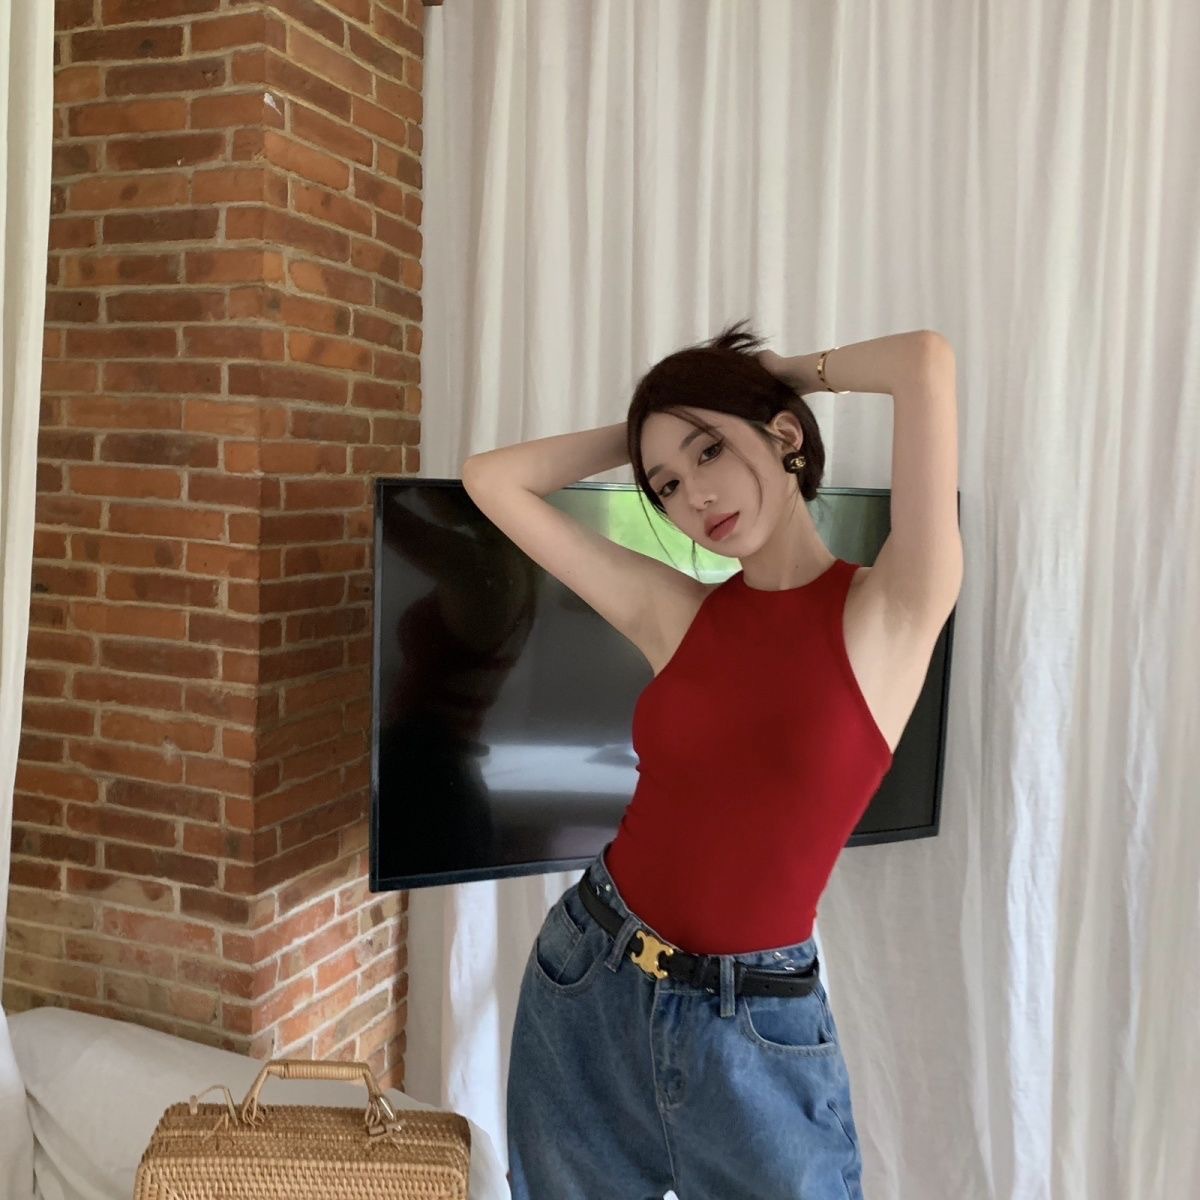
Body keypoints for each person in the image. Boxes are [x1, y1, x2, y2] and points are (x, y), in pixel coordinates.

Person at [461, 320, 962, 1199]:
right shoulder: (677, 614)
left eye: (710, 451)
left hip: (755, 1031)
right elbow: (490, 480)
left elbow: (923, 361)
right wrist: (651, 424)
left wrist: (772, 376)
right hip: (591, 977)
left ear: (784, 433)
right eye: (665, 482)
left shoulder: (891, 608)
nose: (695, 494)